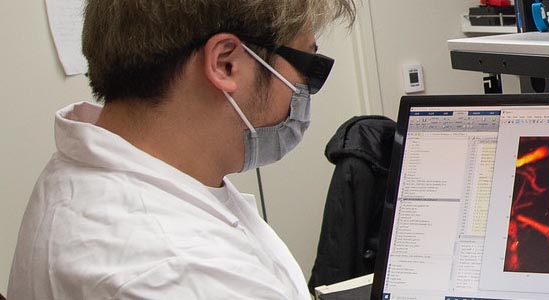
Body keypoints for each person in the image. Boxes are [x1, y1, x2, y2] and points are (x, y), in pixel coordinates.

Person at [8, 0, 354, 298]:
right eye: (310, 67)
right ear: (225, 63)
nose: (304, 89)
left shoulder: (94, 168)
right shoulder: (180, 272)